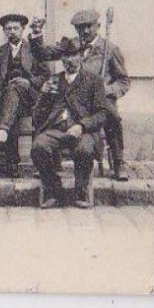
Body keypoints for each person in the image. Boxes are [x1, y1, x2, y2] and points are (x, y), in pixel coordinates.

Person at [30, 10, 130, 181]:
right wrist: (38, 32)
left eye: (89, 27)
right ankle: (49, 161)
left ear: (97, 26)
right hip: (73, 99)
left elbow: (123, 81)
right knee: (48, 110)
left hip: (99, 99)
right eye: (80, 28)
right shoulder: (71, 45)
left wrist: (108, 90)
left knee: (111, 114)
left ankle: (118, 162)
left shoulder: (110, 50)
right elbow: (43, 54)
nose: (85, 32)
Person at [31, 39, 109, 209]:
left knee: (85, 149)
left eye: (73, 55)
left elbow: (102, 114)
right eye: (65, 56)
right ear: (61, 59)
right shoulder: (54, 80)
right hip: (56, 130)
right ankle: (53, 190)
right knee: (39, 146)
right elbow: (37, 118)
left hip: (83, 131)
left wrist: (81, 126)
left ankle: (80, 191)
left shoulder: (93, 80)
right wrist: (43, 96)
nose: (69, 60)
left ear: (80, 56)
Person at [0, 12, 48, 147]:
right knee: (12, 91)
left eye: (16, 28)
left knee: (15, 89)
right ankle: (11, 163)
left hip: (31, 98)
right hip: (8, 99)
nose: (12, 32)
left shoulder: (34, 49)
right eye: (9, 29)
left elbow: (45, 75)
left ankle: (3, 129)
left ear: (23, 29)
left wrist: (29, 82)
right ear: (4, 31)